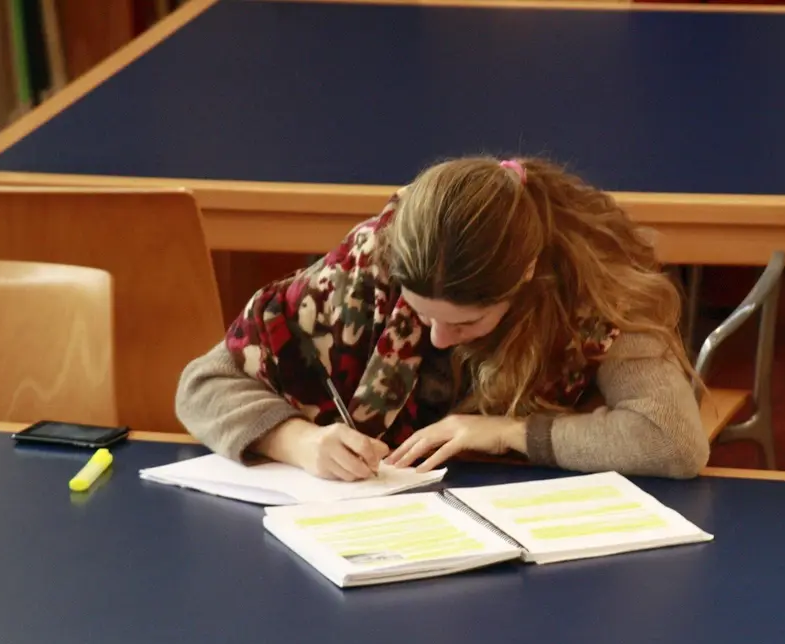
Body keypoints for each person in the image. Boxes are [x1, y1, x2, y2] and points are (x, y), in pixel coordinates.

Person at [175, 156, 709, 481]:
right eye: (422, 313)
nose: (437, 337)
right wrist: (297, 441)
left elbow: (672, 440)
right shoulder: (371, 262)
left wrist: (507, 432)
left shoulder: (598, 288)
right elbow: (203, 385)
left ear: (524, 276)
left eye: (467, 323)